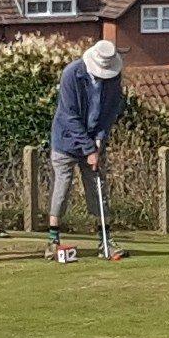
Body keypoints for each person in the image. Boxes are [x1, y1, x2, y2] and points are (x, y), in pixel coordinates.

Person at [46, 38, 126, 262]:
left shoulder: (113, 79)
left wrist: (100, 140)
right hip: (65, 140)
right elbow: (68, 116)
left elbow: (110, 112)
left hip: (93, 140)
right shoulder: (72, 74)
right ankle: (53, 240)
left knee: (98, 188)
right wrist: (89, 148)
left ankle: (105, 240)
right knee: (62, 186)